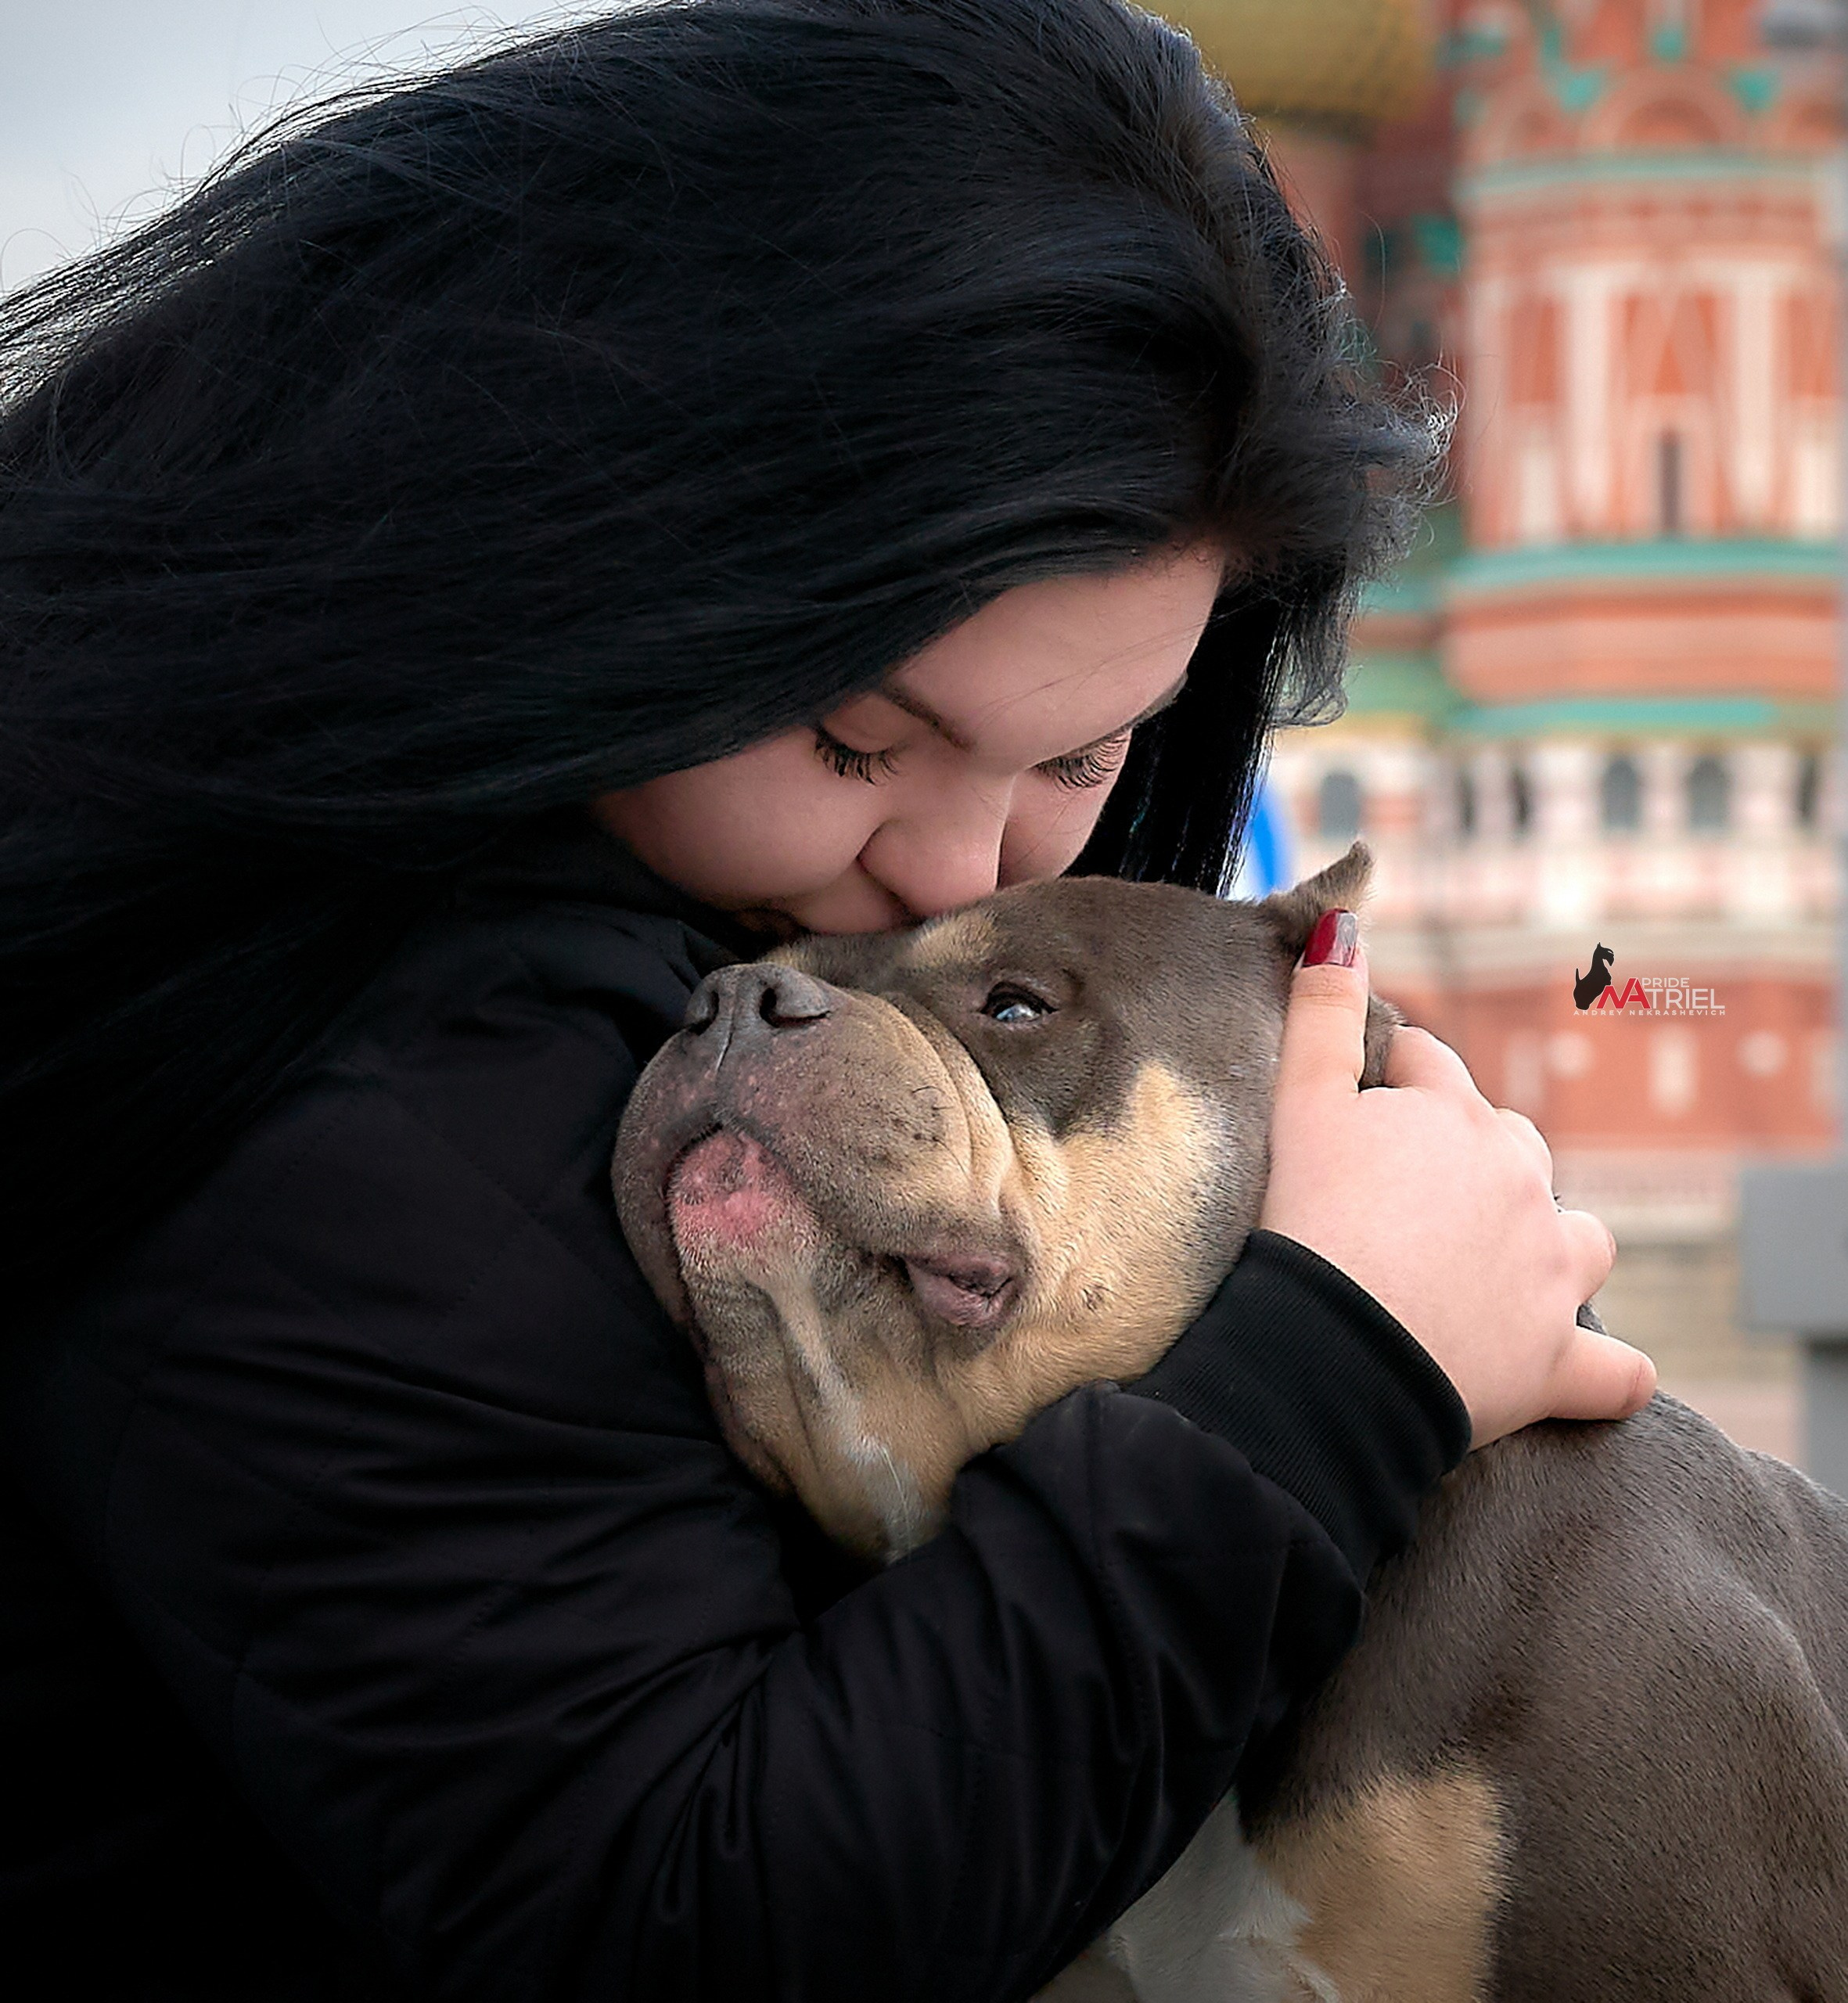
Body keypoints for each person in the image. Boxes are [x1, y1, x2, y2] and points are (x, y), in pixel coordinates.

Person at [0, 2, 1652, 1997]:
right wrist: (1339, 1365)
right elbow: (695, 1921)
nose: (958, 870)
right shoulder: (365, 1055)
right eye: (860, 740)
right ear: (573, 542)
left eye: (1082, 753)